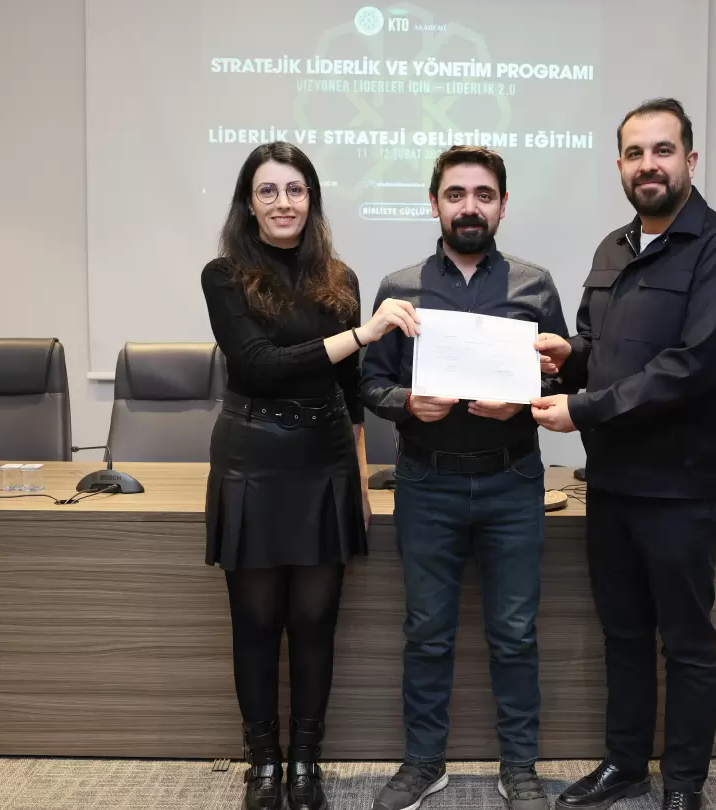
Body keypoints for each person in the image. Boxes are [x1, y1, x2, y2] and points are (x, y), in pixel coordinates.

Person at [531, 98, 716, 810]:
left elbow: (693, 367)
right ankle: (625, 763)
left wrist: (584, 408)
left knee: (686, 643)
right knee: (624, 634)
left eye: (662, 151)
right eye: (635, 153)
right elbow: (599, 347)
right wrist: (569, 358)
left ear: (690, 159)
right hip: (612, 483)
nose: (648, 165)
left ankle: (684, 784)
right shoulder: (613, 247)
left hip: (681, 489)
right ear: (620, 165)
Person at [202, 141, 419, 810]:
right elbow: (259, 365)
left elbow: (350, 391)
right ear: (248, 204)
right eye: (267, 191)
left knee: (316, 620)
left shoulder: (339, 278)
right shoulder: (224, 275)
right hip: (253, 458)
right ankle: (262, 763)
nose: (282, 203)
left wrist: (359, 478)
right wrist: (363, 335)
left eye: (294, 190)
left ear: (312, 200)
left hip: (325, 461)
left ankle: (305, 762)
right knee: (256, 621)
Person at [362, 146, 569, 810]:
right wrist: (406, 403)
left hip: (513, 482)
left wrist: (526, 399)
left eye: (483, 195)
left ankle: (520, 766)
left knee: (516, 633)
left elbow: (561, 376)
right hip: (427, 483)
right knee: (426, 631)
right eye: (456, 195)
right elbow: (370, 381)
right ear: (434, 204)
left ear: (503, 205)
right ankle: (424, 762)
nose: (469, 207)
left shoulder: (535, 285)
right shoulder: (399, 288)